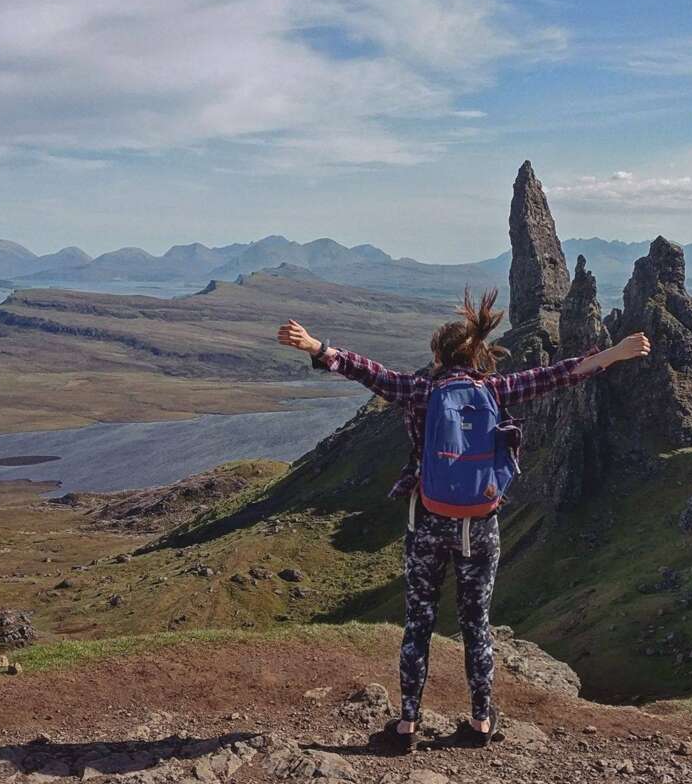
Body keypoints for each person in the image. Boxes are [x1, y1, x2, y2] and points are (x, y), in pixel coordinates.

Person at [277, 288, 650, 749]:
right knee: (477, 625)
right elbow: (558, 375)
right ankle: (480, 723)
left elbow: (369, 372)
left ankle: (407, 726)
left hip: (428, 521)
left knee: (418, 624)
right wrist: (614, 353)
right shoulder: (497, 389)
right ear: (477, 354)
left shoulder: (421, 391)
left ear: (438, 355)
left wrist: (317, 346)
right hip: (482, 526)